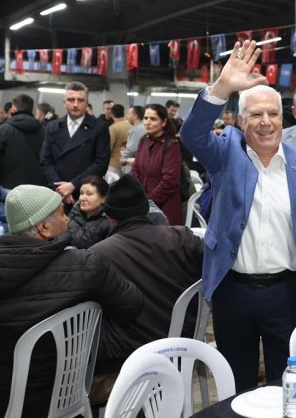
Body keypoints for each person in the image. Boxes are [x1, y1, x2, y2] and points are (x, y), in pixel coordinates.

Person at [179, 40, 296, 390]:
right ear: (240, 120)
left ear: (283, 118)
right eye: (255, 114)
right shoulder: (226, 155)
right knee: (237, 384)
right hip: (234, 292)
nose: (266, 123)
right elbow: (191, 135)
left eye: (273, 114)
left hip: (288, 294)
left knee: (289, 383)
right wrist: (222, 88)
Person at [0, 184, 142, 418]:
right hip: (63, 396)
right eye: (62, 214)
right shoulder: (84, 266)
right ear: (44, 228)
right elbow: (131, 305)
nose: (68, 220)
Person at [89, 175, 202, 368]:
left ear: (108, 216)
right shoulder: (183, 237)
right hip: (184, 344)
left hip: (129, 357)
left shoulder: (98, 254)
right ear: (146, 209)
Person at [40, 81, 110, 206]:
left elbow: (101, 164)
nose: (75, 104)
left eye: (80, 100)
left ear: (87, 103)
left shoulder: (99, 128)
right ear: (64, 102)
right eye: (71, 100)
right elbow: (45, 161)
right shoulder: (52, 127)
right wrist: (60, 189)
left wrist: (73, 185)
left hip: (85, 194)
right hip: (56, 193)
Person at [130, 104, 182, 225]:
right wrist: (140, 196)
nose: (147, 122)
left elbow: (170, 180)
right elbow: (136, 169)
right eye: (145, 118)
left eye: (153, 119)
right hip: (143, 204)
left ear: (163, 122)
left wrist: (149, 201)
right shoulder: (143, 140)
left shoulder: (171, 145)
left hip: (165, 206)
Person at [0, 94, 47, 189]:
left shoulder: (3, 130)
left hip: (9, 187)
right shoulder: (44, 131)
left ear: (13, 108)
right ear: (32, 109)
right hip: (37, 187)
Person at [67, 175, 110, 249]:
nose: (82, 198)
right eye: (81, 193)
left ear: (103, 198)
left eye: (89, 194)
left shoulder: (108, 223)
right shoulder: (73, 213)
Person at [106, 104, 131, 180]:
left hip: (114, 164)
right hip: (128, 164)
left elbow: (108, 147)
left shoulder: (113, 128)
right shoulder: (131, 125)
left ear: (112, 114)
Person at [121, 105, 145, 173]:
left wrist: (123, 159)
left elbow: (132, 149)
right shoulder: (144, 127)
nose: (127, 116)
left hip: (133, 166)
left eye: (129, 114)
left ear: (135, 116)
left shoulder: (137, 129)